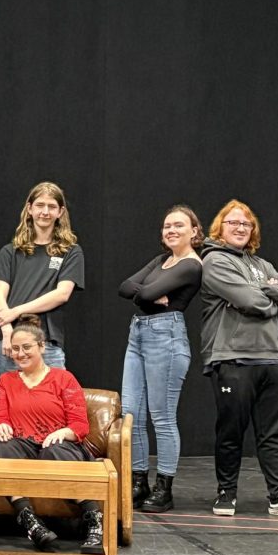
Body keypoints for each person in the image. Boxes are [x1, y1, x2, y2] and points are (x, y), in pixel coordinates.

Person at [199, 200, 278, 520]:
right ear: (220, 228)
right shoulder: (214, 260)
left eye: (246, 224)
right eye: (233, 222)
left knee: (273, 434)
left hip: (274, 359)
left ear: (253, 231)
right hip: (233, 358)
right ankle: (226, 494)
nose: (240, 228)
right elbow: (252, 302)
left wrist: (264, 289)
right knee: (231, 432)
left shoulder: (261, 264)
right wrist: (269, 294)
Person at [0, 315, 103, 553]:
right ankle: (30, 522)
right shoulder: (6, 381)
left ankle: (93, 520)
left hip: (60, 446)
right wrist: (1, 426)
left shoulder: (63, 378)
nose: (20, 354)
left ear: (41, 347)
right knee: (2, 446)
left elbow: (80, 426)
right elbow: (1, 417)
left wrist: (64, 431)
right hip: (26, 447)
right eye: (16, 349)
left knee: (55, 450)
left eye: (27, 347)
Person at [118, 206, 204, 514]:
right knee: (131, 413)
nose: (171, 230)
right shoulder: (160, 260)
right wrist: (148, 294)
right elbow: (125, 287)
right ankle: (138, 481)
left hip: (166, 337)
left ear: (194, 231)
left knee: (162, 416)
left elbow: (141, 291)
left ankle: (163, 487)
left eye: (178, 225)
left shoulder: (192, 265)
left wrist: (145, 293)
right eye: (167, 226)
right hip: (138, 333)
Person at [0, 182, 84, 374]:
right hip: (11, 342)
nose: (45, 212)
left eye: (51, 206)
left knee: (52, 402)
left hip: (46, 343)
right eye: (40, 205)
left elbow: (62, 294)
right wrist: (7, 331)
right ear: (30, 208)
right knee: (10, 402)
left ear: (60, 212)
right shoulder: (10, 252)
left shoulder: (71, 252)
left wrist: (16, 311)